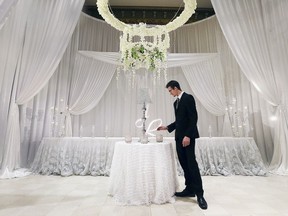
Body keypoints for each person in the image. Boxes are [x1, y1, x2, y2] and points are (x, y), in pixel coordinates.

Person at [157, 80, 208, 210]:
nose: (170, 93)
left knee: (192, 164)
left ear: (175, 88)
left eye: (170, 91)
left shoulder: (188, 98)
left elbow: (193, 118)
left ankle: (200, 195)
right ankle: (189, 189)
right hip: (179, 138)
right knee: (184, 164)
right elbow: (179, 121)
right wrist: (167, 127)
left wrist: (188, 136)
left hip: (187, 138)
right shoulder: (176, 102)